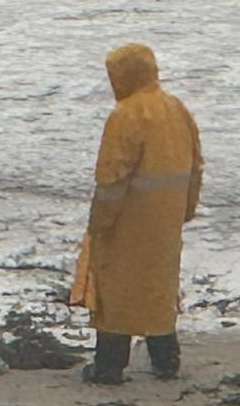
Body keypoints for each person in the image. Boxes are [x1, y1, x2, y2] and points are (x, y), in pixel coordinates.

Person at [79, 43, 203, 384]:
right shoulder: (176, 108)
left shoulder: (125, 115)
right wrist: (185, 210)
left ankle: (109, 366)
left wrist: (99, 222)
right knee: (159, 286)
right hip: (166, 218)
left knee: (117, 288)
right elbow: (195, 166)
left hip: (128, 220)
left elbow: (112, 178)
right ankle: (166, 360)